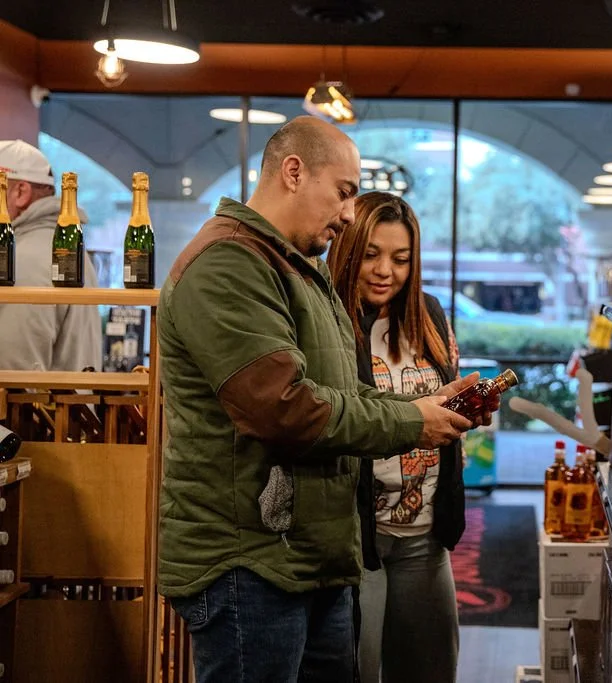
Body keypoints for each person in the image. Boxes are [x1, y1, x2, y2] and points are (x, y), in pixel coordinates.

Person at [157, 116, 488, 683]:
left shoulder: (297, 269)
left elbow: (346, 394)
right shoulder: (229, 265)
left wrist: (425, 411)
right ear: (292, 172)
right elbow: (283, 407)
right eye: (344, 192)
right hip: (252, 565)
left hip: (309, 561)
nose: (347, 214)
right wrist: (412, 423)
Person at [328, 192, 483, 683]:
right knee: (358, 669)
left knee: (432, 670)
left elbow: (439, 405)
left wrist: (466, 409)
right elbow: (336, 417)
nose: (384, 271)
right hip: (356, 538)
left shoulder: (430, 315)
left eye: (400, 259)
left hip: (424, 535)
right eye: (371, 254)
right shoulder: (331, 321)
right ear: (349, 248)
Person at [0, 139, 101, 371]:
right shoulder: (59, 247)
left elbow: (14, 374)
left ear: (20, 193)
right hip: (73, 406)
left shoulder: (20, 259)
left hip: (43, 408)